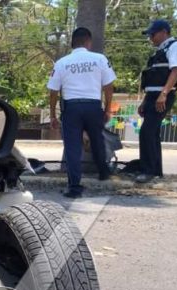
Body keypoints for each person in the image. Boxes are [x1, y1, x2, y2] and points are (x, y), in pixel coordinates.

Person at [47, 27, 116, 199]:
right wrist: (107, 108)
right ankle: (103, 172)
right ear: (88, 42)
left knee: (72, 147)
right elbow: (108, 87)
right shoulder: (100, 59)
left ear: (72, 43)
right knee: (97, 139)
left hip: (72, 108)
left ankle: (75, 187)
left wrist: (53, 116)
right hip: (93, 106)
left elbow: (53, 92)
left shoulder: (62, 63)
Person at [136, 20, 177, 183]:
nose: (151, 37)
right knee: (152, 133)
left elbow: (176, 70)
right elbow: (151, 79)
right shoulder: (158, 52)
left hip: (162, 96)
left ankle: (148, 171)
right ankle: (156, 170)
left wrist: (164, 94)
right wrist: (145, 101)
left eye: (153, 34)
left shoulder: (175, 46)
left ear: (164, 32)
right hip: (152, 96)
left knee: (146, 132)